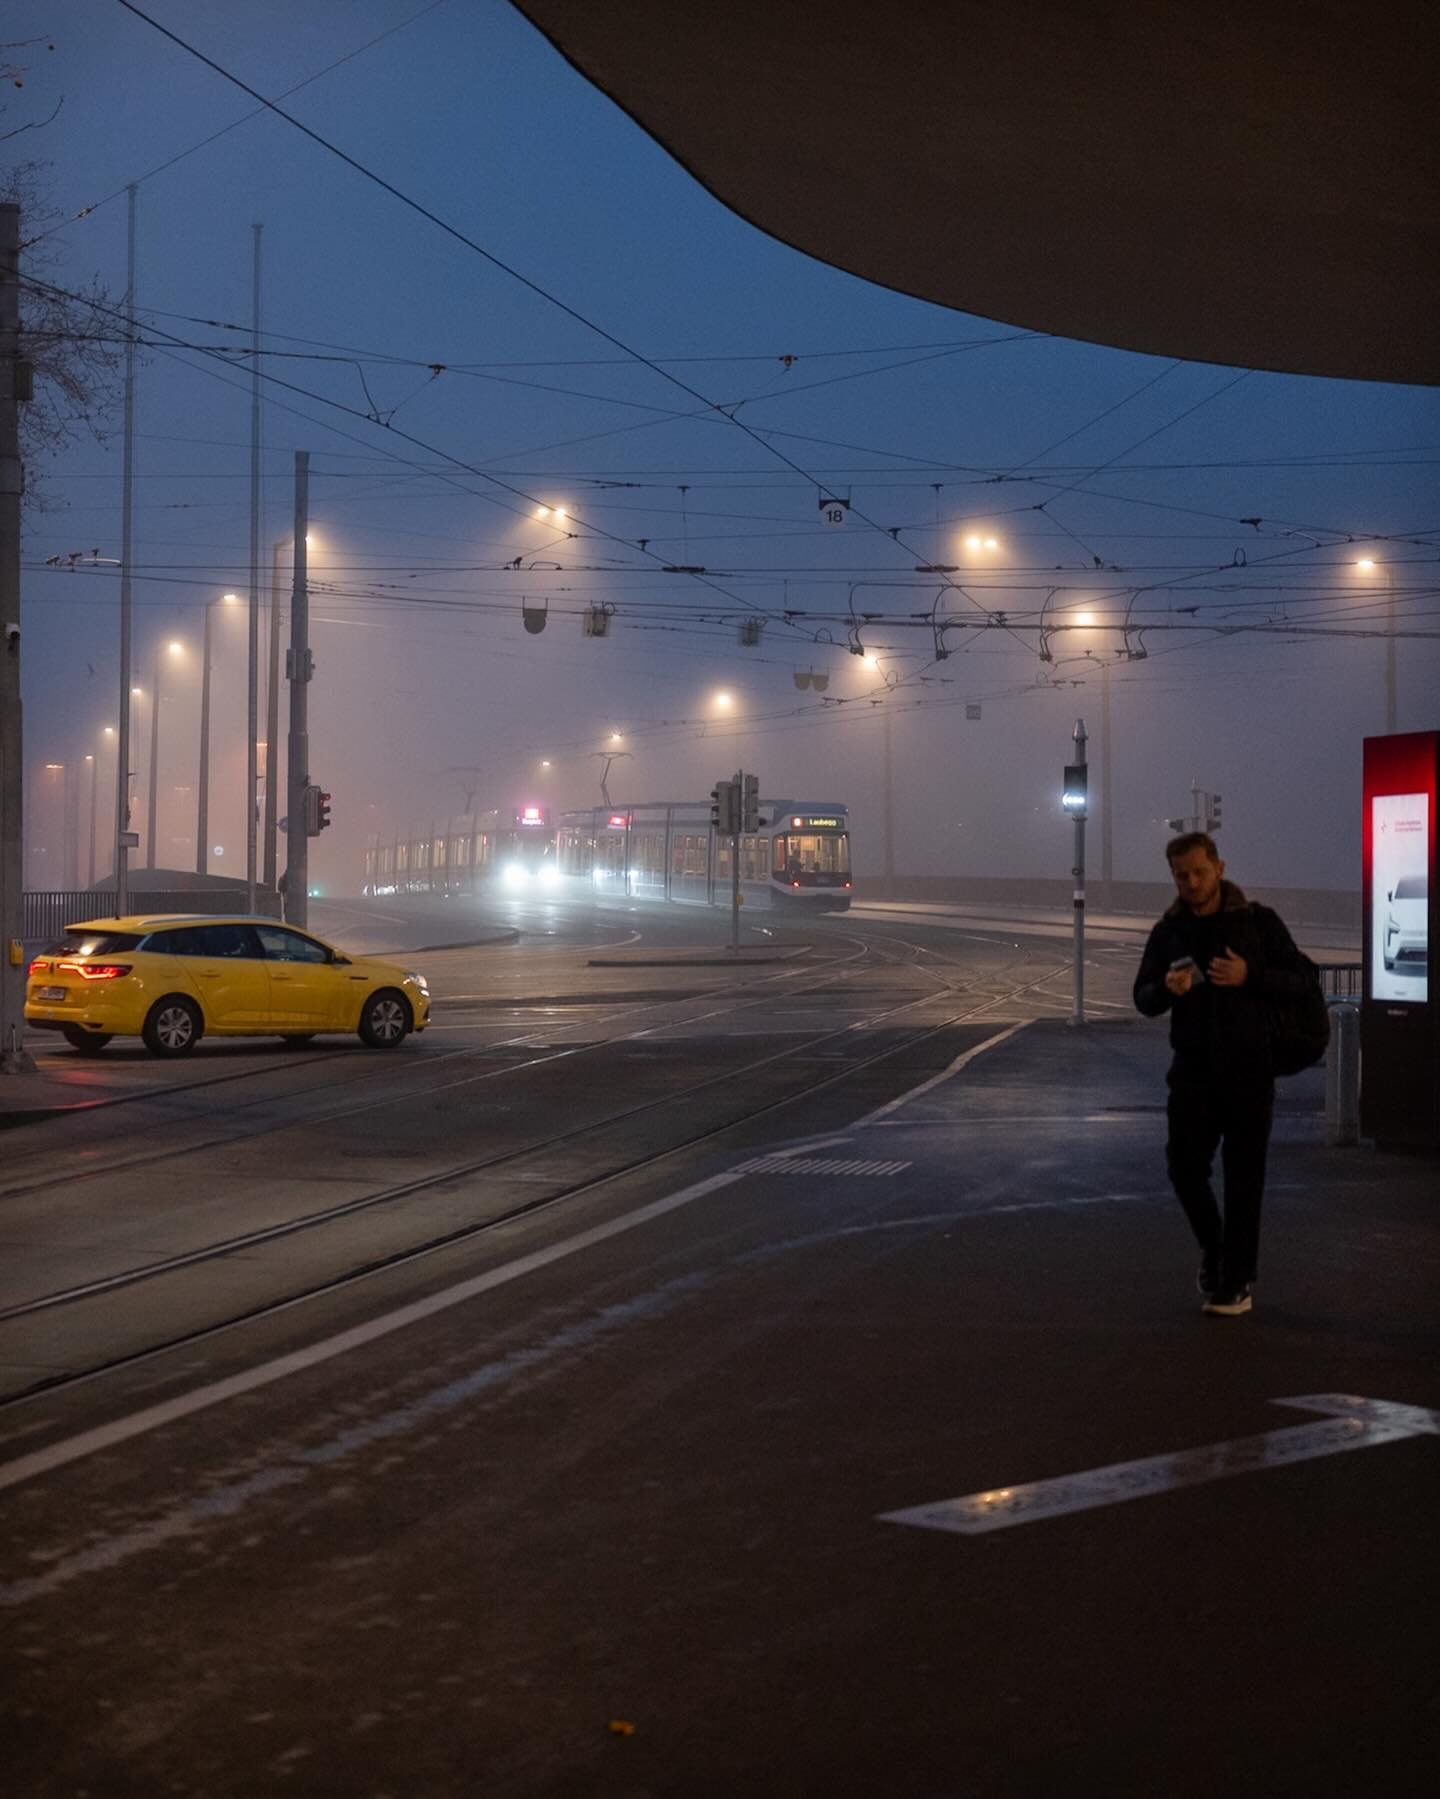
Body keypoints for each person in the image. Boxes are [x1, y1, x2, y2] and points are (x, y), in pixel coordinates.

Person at [1133, 833, 1313, 1318]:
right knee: (1184, 1167)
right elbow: (1143, 997)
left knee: (1244, 1177)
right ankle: (1216, 1248)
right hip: (1192, 1070)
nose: (1191, 883)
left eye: (1199, 872)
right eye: (1181, 876)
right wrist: (1166, 989)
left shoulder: (1257, 923)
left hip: (1250, 1069)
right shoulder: (1169, 931)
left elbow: (1301, 983)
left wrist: (1250, 976)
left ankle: (1236, 1283)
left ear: (1219, 867)